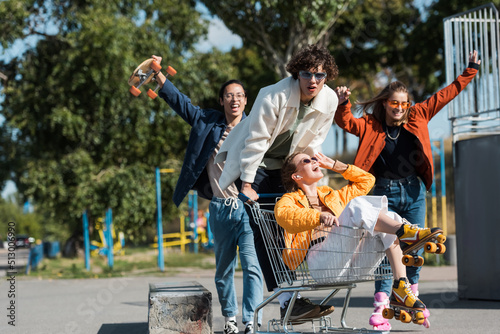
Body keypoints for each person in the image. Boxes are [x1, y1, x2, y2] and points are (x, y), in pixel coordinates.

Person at [334, 50, 481, 330]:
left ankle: (412, 296)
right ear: (385, 104)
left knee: (414, 246)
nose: (399, 107)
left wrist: (470, 70)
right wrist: (344, 104)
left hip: (414, 193)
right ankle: (382, 305)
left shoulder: (419, 115)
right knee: (385, 246)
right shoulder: (371, 125)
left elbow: (447, 93)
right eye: (394, 103)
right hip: (383, 194)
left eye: (404, 103)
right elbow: (346, 122)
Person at [215, 44, 340, 322]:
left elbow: (315, 141)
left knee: (290, 228)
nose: (313, 81)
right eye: (307, 74)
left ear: (327, 77)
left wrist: (308, 183)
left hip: (288, 165)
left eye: (320, 76)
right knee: (266, 230)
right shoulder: (273, 95)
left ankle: (291, 300)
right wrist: (247, 184)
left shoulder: (329, 99)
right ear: (297, 74)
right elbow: (256, 141)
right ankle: (288, 298)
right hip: (256, 164)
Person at [151, 55, 263, 334]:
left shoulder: (257, 128)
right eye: (228, 96)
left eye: (239, 95)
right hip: (220, 208)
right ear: (222, 101)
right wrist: (158, 76)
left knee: (251, 266)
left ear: (246, 100)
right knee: (223, 270)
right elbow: (182, 105)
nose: (234, 100)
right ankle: (231, 320)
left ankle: (250, 320)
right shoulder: (210, 124)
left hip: (247, 209)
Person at [275, 152, 442, 325]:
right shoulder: (290, 200)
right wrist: (318, 217)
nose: (314, 161)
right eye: (307, 160)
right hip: (322, 265)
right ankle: (406, 232)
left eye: (314, 158)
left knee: (387, 216)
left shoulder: (332, 195)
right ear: (297, 175)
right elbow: (283, 215)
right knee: (357, 206)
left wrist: (334, 165)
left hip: (353, 265)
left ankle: (401, 285)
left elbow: (367, 180)